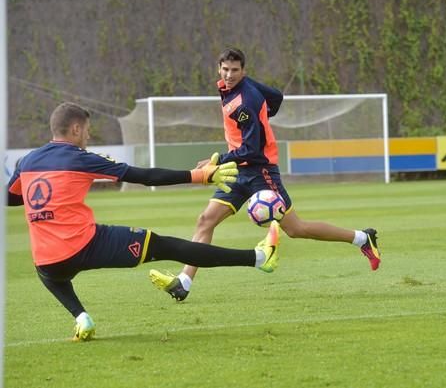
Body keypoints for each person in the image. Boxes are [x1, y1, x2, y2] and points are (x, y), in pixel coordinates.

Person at [6, 102, 281, 341]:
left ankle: (81, 317)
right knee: (168, 247)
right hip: (87, 244)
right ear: (76, 129)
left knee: (50, 276)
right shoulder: (82, 158)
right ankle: (258, 258)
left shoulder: (26, 161)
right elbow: (145, 176)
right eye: (87, 130)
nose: (88, 135)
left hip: (48, 260)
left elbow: (11, 198)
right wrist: (200, 176)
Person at [149, 47, 381, 302]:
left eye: (235, 70)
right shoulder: (235, 87)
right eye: (225, 69)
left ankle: (361, 238)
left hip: (260, 170)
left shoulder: (245, 101)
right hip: (239, 169)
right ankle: (184, 281)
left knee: (296, 229)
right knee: (206, 220)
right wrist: (261, 119)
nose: (229, 75)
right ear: (219, 68)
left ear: (243, 70)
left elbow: (252, 150)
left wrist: (217, 160)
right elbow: (277, 97)